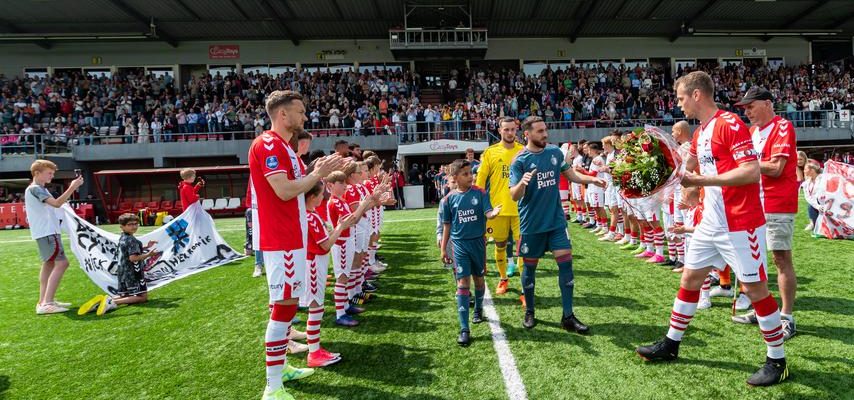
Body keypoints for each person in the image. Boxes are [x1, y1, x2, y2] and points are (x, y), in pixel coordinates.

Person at [635, 71, 788, 387]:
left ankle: (778, 360)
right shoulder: (703, 131)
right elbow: (690, 164)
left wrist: (700, 182)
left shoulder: (729, 124)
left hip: (741, 222)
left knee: (755, 289)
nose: (679, 106)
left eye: (680, 98)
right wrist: (680, 182)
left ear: (696, 95)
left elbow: (750, 173)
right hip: (711, 222)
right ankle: (672, 343)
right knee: (691, 277)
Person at [249, 90, 346, 400]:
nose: (305, 117)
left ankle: (281, 371)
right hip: (281, 239)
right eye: (300, 112)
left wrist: (316, 174)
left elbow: (297, 187)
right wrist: (316, 174)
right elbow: (284, 191)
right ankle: (273, 387)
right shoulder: (267, 144)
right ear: (282, 114)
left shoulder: (283, 147)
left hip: (291, 237)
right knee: (283, 308)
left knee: (288, 308)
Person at [509, 116, 605, 332]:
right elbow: (514, 196)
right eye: (540, 131)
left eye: (545, 130)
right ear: (527, 134)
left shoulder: (554, 153)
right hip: (531, 225)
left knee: (566, 265)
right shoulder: (519, 160)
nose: (545, 134)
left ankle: (568, 316)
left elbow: (571, 175)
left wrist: (592, 179)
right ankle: (530, 311)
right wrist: (522, 184)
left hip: (556, 223)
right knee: (530, 269)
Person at [732, 87, 799, 340]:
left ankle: (786, 316)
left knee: (781, 258)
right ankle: (764, 310)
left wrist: (744, 162)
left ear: (768, 104)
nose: (747, 112)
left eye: (751, 106)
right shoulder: (752, 132)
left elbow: (776, 168)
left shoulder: (782, 126)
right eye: (745, 108)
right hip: (754, 203)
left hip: (776, 202)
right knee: (755, 260)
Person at [440, 159, 500, 346]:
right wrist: (443, 248)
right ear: (454, 177)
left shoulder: (481, 193)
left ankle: (478, 309)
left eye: (471, 173)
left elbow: (488, 212)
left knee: (479, 280)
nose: (470, 177)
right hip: (459, 246)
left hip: (478, 244)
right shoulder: (448, 200)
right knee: (463, 282)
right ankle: (464, 328)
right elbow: (447, 226)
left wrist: (493, 213)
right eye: (465, 174)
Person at [300, 181, 356, 367]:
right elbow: (325, 244)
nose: (323, 197)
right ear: (312, 197)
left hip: (315, 262)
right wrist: (340, 227)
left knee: (317, 306)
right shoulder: (310, 217)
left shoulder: (309, 214)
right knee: (316, 307)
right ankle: (314, 352)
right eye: (320, 194)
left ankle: (315, 349)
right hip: (314, 264)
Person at [26, 159, 84, 315]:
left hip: (45, 231)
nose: (52, 176)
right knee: (62, 263)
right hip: (47, 232)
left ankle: (43, 301)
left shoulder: (37, 189)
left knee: (49, 264)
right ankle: (48, 302)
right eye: (49, 173)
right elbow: (57, 203)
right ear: (37, 173)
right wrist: (72, 187)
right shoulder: (37, 189)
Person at [476, 117, 525, 294]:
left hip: (521, 209)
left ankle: (525, 287)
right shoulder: (490, 152)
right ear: (500, 130)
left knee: (523, 249)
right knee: (500, 245)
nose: (510, 133)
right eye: (506, 129)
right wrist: (482, 206)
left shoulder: (524, 151)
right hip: (498, 209)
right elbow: (480, 181)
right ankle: (503, 279)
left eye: (513, 129)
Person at [78, 213, 161, 316]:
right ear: (122, 226)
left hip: (122, 271)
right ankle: (112, 302)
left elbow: (128, 252)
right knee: (142, 297)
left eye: (136, 224)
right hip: (133, 272)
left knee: (125, 295)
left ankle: (101, 301)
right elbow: (133, 258)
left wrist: (145, 247)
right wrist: (149, 254)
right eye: (130, 224)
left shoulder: (123, 237)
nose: (134, 226)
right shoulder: (131, 240)